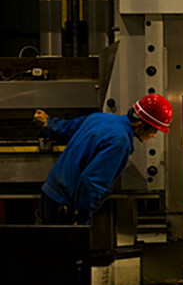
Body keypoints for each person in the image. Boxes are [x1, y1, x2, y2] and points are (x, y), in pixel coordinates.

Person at [34, 94, 173, 225]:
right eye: (155, 130)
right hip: (66, 203)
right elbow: (92, 182)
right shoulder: (120, 142)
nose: (155, 135)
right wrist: (81, 217)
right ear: (141, 124)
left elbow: (68, 129)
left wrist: (48, 124)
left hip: (51, 192)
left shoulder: (100, 118)